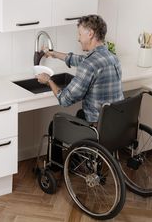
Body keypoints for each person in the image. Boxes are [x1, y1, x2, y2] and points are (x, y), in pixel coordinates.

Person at [36, 14, 124, 169]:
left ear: (90, 34)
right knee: (80, 115)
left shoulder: (89, 65)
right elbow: (79, 60)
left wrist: (48, 80)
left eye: (79, 34)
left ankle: (56, 168)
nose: (78, 38)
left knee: (55, 123)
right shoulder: (112, 57)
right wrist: (54, 53)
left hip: (97, 128)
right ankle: (78, 160)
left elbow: (65, 99)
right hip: (115, 124)